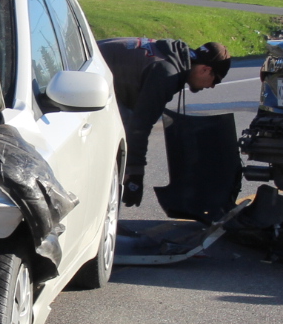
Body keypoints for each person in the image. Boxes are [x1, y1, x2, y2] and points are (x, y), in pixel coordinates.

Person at [96, 37, 231, 206]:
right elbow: (140, 125)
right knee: (118, 137)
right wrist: (135, 175)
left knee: (125, 126)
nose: (212, 86)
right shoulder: (167, 73)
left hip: (94, 65)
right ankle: (101, 204)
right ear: (205, 69)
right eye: (216, 80)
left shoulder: (172, 55)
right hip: (88, 74)